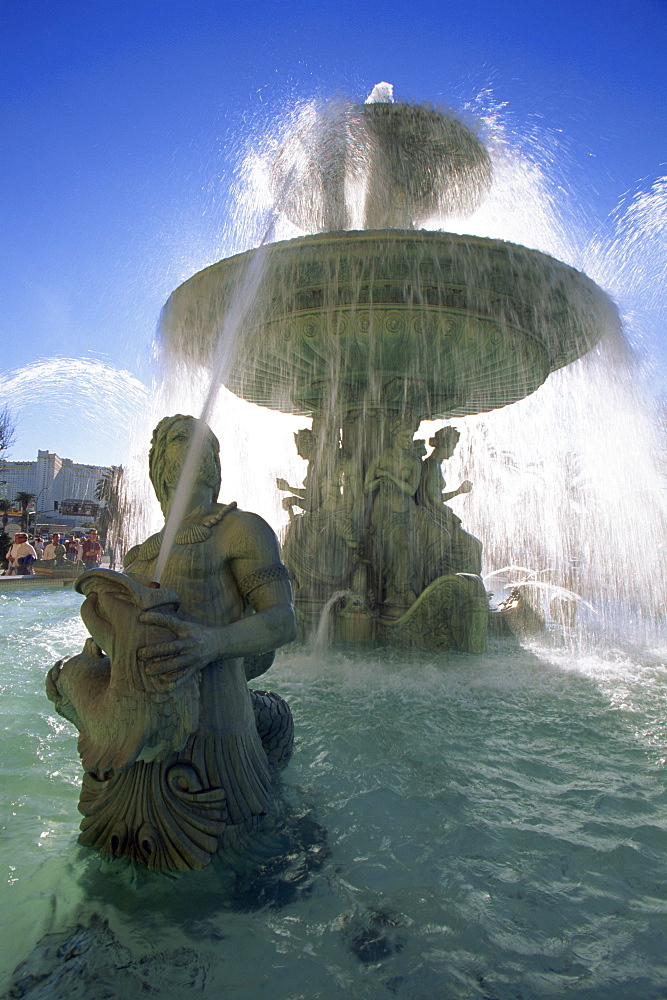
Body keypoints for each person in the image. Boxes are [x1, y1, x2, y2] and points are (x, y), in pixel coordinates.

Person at [122, 414, 296, 831]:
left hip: (218, 726)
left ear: (216, 466)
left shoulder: (242, 529)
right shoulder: (137, 555)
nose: (197, 445)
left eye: (208, 444)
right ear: (158, 466)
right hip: (144, 734)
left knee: (234, 847)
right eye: (181, 438)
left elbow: (283, 620)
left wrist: (211, 643)